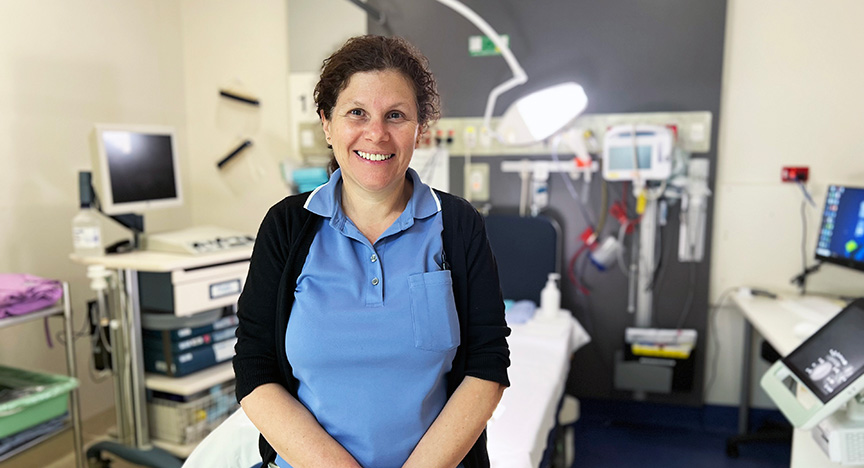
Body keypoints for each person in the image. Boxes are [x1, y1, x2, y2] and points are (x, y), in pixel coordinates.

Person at [234, 35, 510, 468]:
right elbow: (255, 369)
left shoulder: (458, 226)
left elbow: (487, 364)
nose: (377, 134)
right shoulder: (287, 227)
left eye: (395, 115)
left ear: (419, 130)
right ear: (327, 123)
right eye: (356, 113)